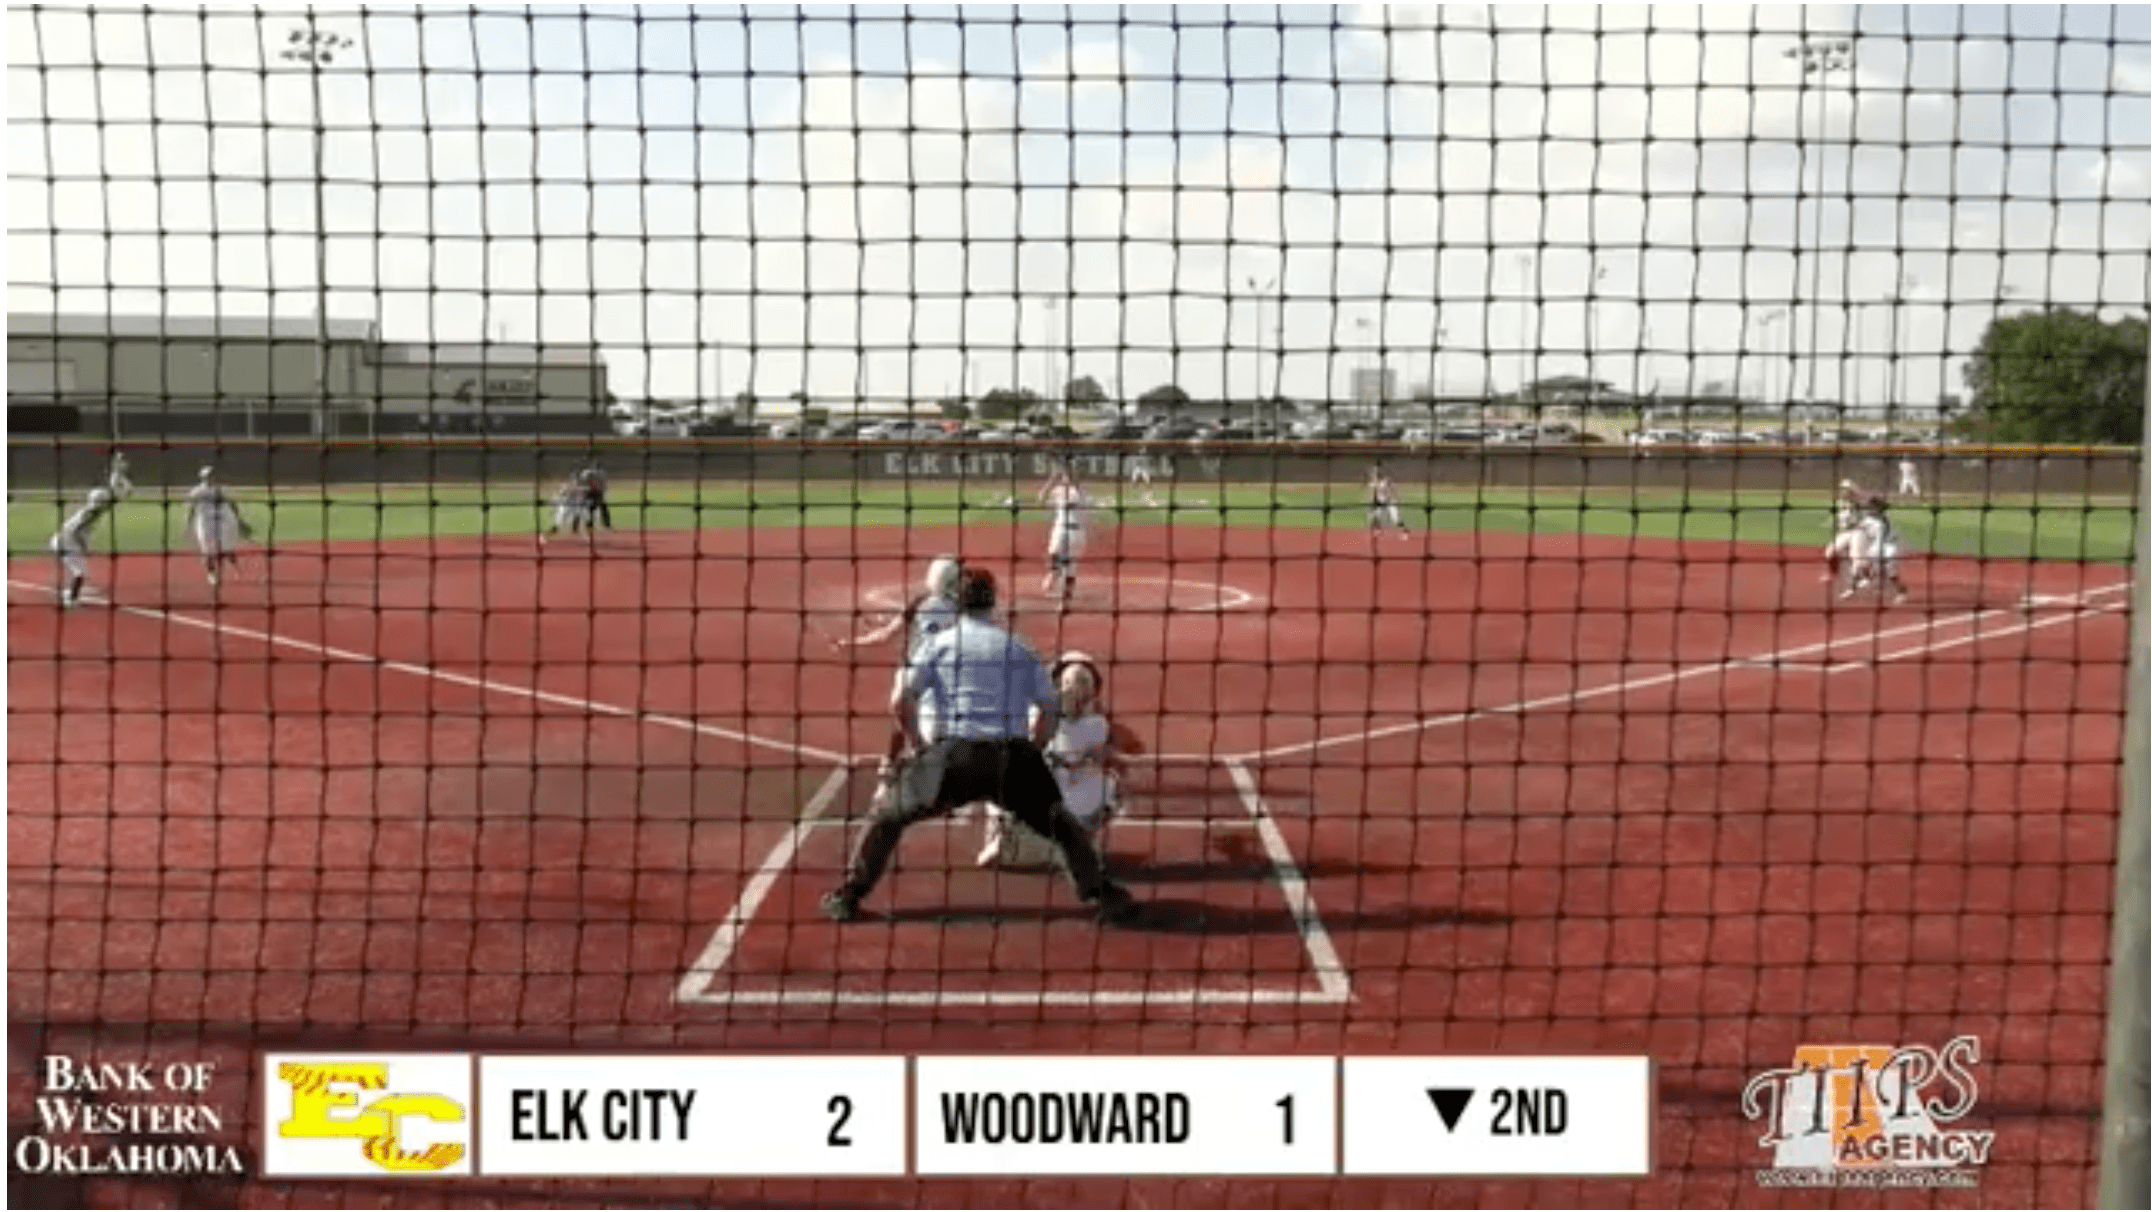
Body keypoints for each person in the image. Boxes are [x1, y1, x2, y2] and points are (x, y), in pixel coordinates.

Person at [821, 568, 1138, 926]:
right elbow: (1049, 709)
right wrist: (1033, 750)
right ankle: (1104, 895)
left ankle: (849, 895)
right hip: (1010, 756)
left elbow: (900, 700)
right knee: (1062, 827)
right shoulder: (1019, 647)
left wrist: (919, 745)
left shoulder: (939, 645)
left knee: (888, 816)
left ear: (957, 602)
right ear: (994, 602)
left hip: (953, 757)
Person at [839, 555, 966, 812]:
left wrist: (852, 643)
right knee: (944, 734)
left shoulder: (920, 603)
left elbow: (887, 635)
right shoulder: (963, 609)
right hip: (944, 680)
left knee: (904, 723)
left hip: (913, 673)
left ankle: (887, 780)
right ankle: (938, 786)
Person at [980, 651, 1126, 868]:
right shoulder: (1098, 727)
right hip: (1071, 807)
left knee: (995, 775)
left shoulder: (1030, 713)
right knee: (1113, 783)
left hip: (1030, 806)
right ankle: (1080, 843)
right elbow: (1128, 750)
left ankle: (1002, 840)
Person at [183, 467, 251, 588]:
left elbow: (232, 505)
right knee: (207, 550)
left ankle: (225, 570)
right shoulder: (197, 491)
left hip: (221, 522)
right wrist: (187, 523)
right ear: (203, 478)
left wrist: (240, 521)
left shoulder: (221, 490)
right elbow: (191, 509)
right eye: (208, 476)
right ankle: (211, 574)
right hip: (204, 522)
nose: (211, 477)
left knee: (223, 548)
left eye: (213, 475)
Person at [51, 487, 116, 608]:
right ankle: (71, 600)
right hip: (65, 543)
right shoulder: (89, 514)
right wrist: (83, 546)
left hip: (64, 541)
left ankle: (70, 593)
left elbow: (105, 508)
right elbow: (76, 531)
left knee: (78, 569)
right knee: (80, 573)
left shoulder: (92, 510)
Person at [1037, 464, 1090, 610]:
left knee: (1070, 569)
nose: (1067, 478)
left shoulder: (1080, 492)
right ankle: (1054, 572)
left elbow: (1077, 484)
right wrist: (1051, 480)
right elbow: (1041, 497)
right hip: (1059, 529)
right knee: (1052, 553)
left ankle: (1064, 603)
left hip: (1076, 532)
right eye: (1065, 476)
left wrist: (1067, 473)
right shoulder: (1058, 490)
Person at [541, 472, 589, 545]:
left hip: (573, 508)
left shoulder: (580, 488)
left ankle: (584, 536)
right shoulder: (567, 486)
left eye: (578, 479)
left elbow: (583, 493)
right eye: (575, 479)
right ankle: (543, 536)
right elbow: (562, 494)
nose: (577, 480)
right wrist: (565, 491)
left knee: (579, 519)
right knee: (558, 527)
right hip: (564, 508)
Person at [1368, 462, 1409, 539]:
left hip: (1389, 501)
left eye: (1378, 472)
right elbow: (1374, 493)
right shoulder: (1375, 482)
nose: (1378, 473)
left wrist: (1397, 499)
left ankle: (1404, 531)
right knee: (1377, 516)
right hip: (1380, 502)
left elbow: (1392, 489)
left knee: (1395, 516)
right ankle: (1378, 530)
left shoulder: (1386, 480)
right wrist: (1373, 502)